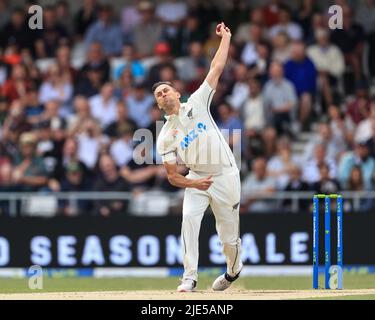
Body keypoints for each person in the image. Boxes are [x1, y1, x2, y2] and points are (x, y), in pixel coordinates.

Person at [155, 22, 242, 292]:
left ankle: (232, 270)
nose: (162, 94)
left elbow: (216, 68)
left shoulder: (197, 102)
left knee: (227, 237)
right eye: (158, 94)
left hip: (225, 174)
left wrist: (225, 39)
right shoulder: (164, 135)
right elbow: (171, 176)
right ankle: (189, 277)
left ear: (177, 93)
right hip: (196, 178)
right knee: (189, 220)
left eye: (166, 89)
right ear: (159, 105)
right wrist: (194, 183)